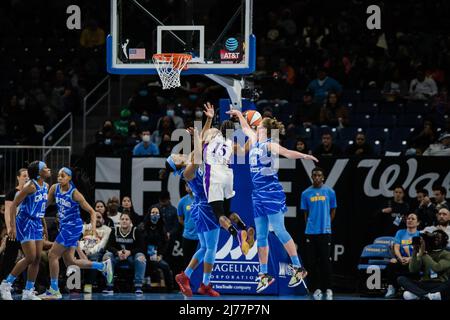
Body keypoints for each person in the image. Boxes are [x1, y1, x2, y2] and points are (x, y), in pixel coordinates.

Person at [228, 108, 318, 293]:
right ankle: (264, 274)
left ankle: (299, 268)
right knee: (261, 235)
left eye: (259, 125)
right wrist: (238, 114)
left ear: (264, 130)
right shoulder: (254, 141)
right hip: (257, 195)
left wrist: (304, 155)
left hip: (272, 193)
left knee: (279, 230)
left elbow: (286, 152)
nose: (255, 126)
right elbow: (245, 128)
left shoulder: (269, 144)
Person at [39, 167, 113, 300]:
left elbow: (91, 211)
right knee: (70, 261)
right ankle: (102, 266)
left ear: (69, 178)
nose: (60, 177)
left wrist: (94, 230)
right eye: (59, 175)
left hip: (73, 227)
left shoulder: (75, 193)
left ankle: (54, 290)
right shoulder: (54, 188)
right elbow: (45, 205)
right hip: (64, 227)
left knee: (52, 255)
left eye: (63, 175)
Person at [169, 126, 222, 297]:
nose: (178, 154)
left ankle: (186, 276)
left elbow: (200, 145)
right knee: (211, 248)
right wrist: (197, 136)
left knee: (206, 247)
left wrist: (207, 121)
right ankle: (203, 283)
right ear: (176, 164)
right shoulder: (187, 171)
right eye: (175, 157)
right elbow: (199, 154)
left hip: (201, 207)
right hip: (205, 207)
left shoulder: (190, 161)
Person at [0, 161, 51, 300]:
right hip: (24, 222)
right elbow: (14, 204)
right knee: (30, 257)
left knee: (37, 258)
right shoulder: (30, 186)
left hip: (36, 222)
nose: (48, 169)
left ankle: (28, 291)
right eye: (45, 168)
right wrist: (12, 227)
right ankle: (6, 284)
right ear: (38, 172)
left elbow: (40, 208)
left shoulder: (45, 186)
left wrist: (44, 227)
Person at [301, 167, 337, 300]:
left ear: (323, 177)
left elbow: (333, 210)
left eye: (319, 175)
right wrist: (310, 226)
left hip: (325, 232)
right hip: (311, 232)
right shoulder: (305, 193)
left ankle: (328, 288)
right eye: (314, 175)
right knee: (312, 262)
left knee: (326, 262)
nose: (316, 177)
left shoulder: (330, 192)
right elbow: (305, 213)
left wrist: (327, 223)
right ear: (312, 177)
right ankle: (315, 288)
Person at [397, 230, 450, 300]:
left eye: (437, 238)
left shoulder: (447, 254)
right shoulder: (424, 252)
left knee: (407, 295)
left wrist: (424, 253)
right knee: (401, 279)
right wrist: (415, 251)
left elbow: (437, 268)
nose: (435, 240)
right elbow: (413, 270)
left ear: (443, 240)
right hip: (424, 283)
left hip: (439, 284)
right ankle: (427, 296)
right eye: (433, 238)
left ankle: (419, 294)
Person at [103, 212, 147, 295]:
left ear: (130, 221)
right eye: (122, 219)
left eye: (127, 219)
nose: (124, 221)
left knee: (141, 257)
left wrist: (130, 252)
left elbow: (142, 248)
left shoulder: (135, 231)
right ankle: (109, 286)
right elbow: (108, 246)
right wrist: (117, 252)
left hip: (131, 258)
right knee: (107, 256)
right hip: (117, 257)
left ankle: (138, 286)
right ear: (119, 221)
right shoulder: (114, 231)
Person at [0, 168, 28, 282]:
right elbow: (7, 212)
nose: (26, 178)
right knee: (9, 258)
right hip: (15, 231)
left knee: (33, 258)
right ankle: (3, 281)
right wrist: (10, 228)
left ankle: (31, 286)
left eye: (28, 176)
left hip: (27, 231)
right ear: (18, 178)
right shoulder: (12, 193)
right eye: (24, 176)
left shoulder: (30, 192)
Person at [384, 213, 421, 299]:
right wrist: (400, 258)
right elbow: (396, 248)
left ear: (418, 223)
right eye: (408, 218)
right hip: (401, 260)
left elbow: (421, 252)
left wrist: (410, 259)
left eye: (413, 219)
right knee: (391, 264)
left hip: (414, 261)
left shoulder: (420, 234)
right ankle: (392, 288)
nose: (410, 220)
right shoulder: (400, 232)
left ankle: (414, 289)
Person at [140, 206, 173, 292]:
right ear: (149, 214)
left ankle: (170, 288)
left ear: (159, 215)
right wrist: (143, 254)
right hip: (144, 254)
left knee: (165, 266)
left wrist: (160, 255)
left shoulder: (162, 228)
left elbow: (165, 244)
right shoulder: (142, 227)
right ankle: (141, 286)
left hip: (156, 256)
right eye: (153, 213)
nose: (154, 215)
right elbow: (139, 243)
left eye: (157, 213)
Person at [79, 211, 112, 293]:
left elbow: (102, 244)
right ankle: (72, 286)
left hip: (97, 252)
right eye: (95, 217)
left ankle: (88, 285)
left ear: (103, 220)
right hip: (82, 251)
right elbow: (78, 241)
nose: (97, 219)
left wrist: (90, 252)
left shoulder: (107, 230)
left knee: (93, 258)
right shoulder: (84, 227)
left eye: (99, 217)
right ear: (91, 219)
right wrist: (82, 251)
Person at [177, 183, 199, 268]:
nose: (189, 187)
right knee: (187, 261)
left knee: (199, 261)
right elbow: (180, 219)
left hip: (200, 237)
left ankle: (200, 281)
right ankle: (188, 280)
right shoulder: (182, 202)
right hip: (187, 237)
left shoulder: (201, 200)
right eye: (187, 185)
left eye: (191, 184)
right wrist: (188, 226)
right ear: (185, 188)